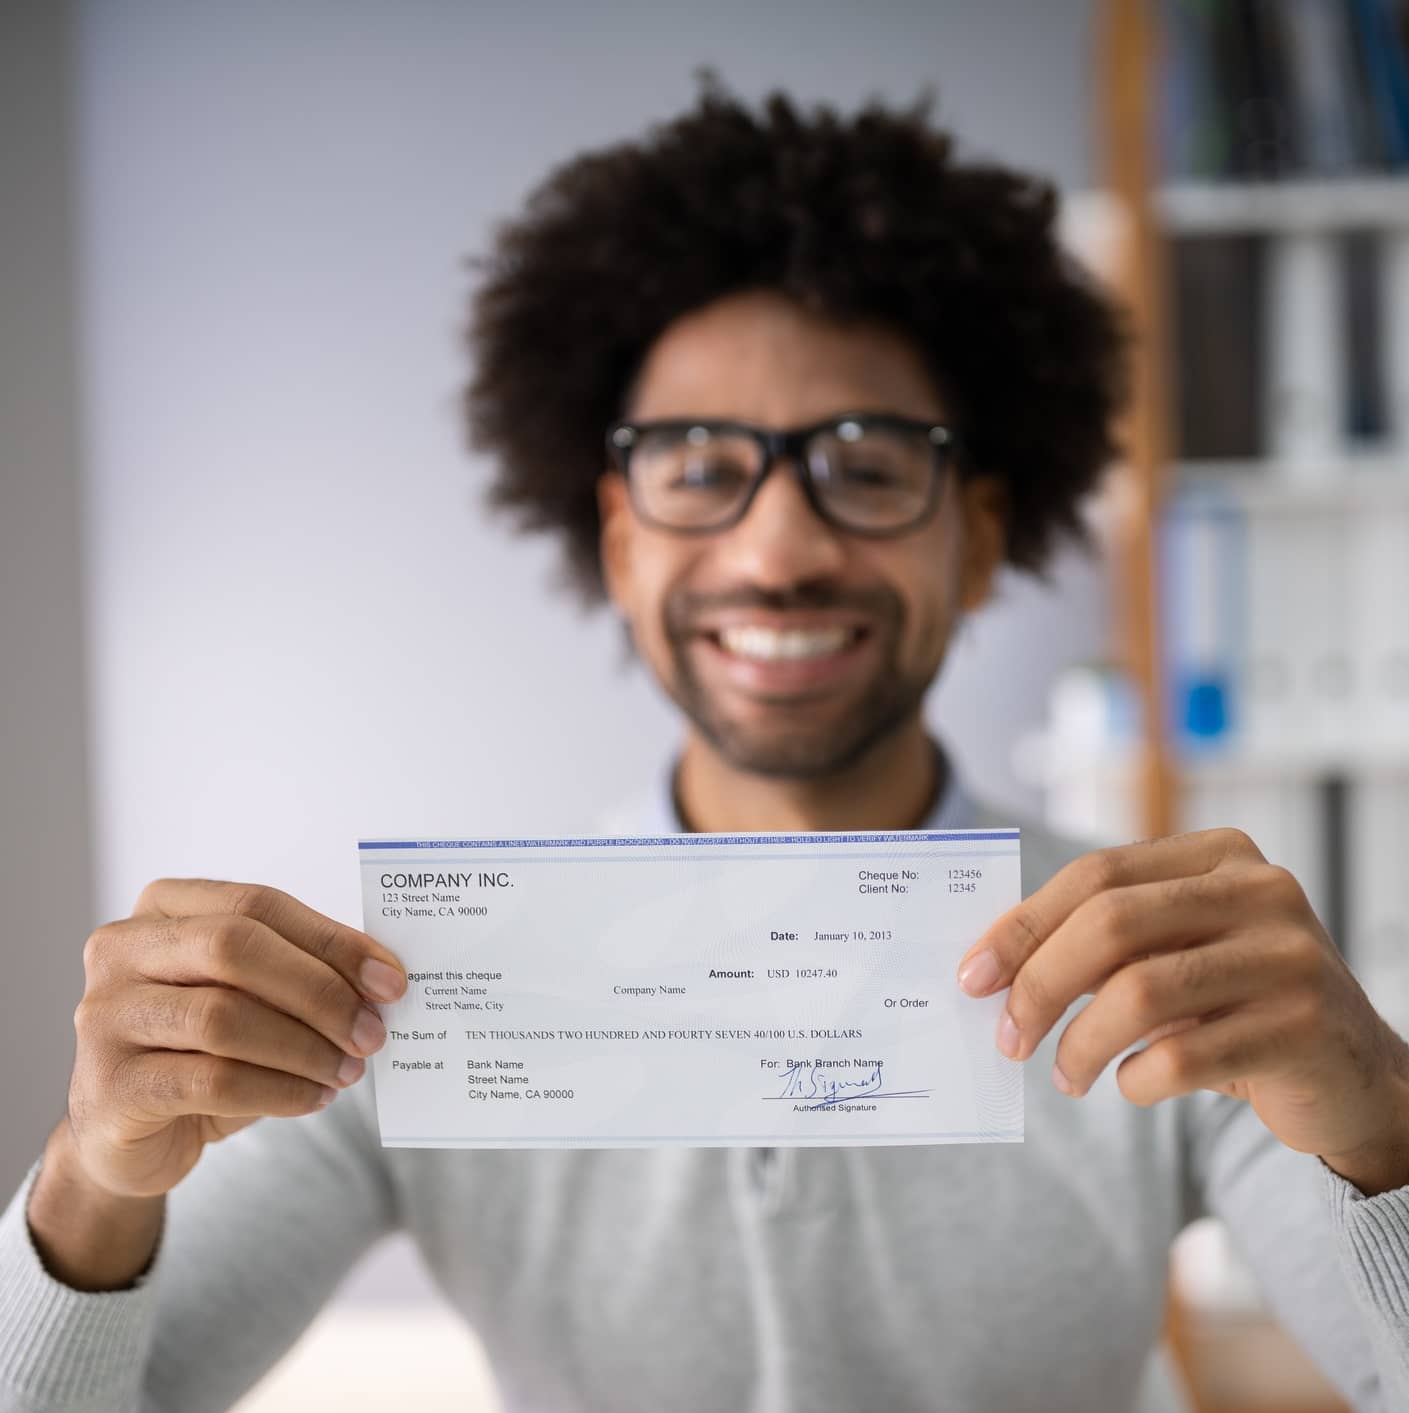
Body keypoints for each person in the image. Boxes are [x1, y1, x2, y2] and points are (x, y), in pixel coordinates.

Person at [3, 83, 1408, 1413]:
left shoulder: (1146, 974)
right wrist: (94, 1181)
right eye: (695, 471)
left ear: (977, 535)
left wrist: (1386, 1130)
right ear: (618, 541)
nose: (779, 547)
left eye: (865, 468)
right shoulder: (413, 993)